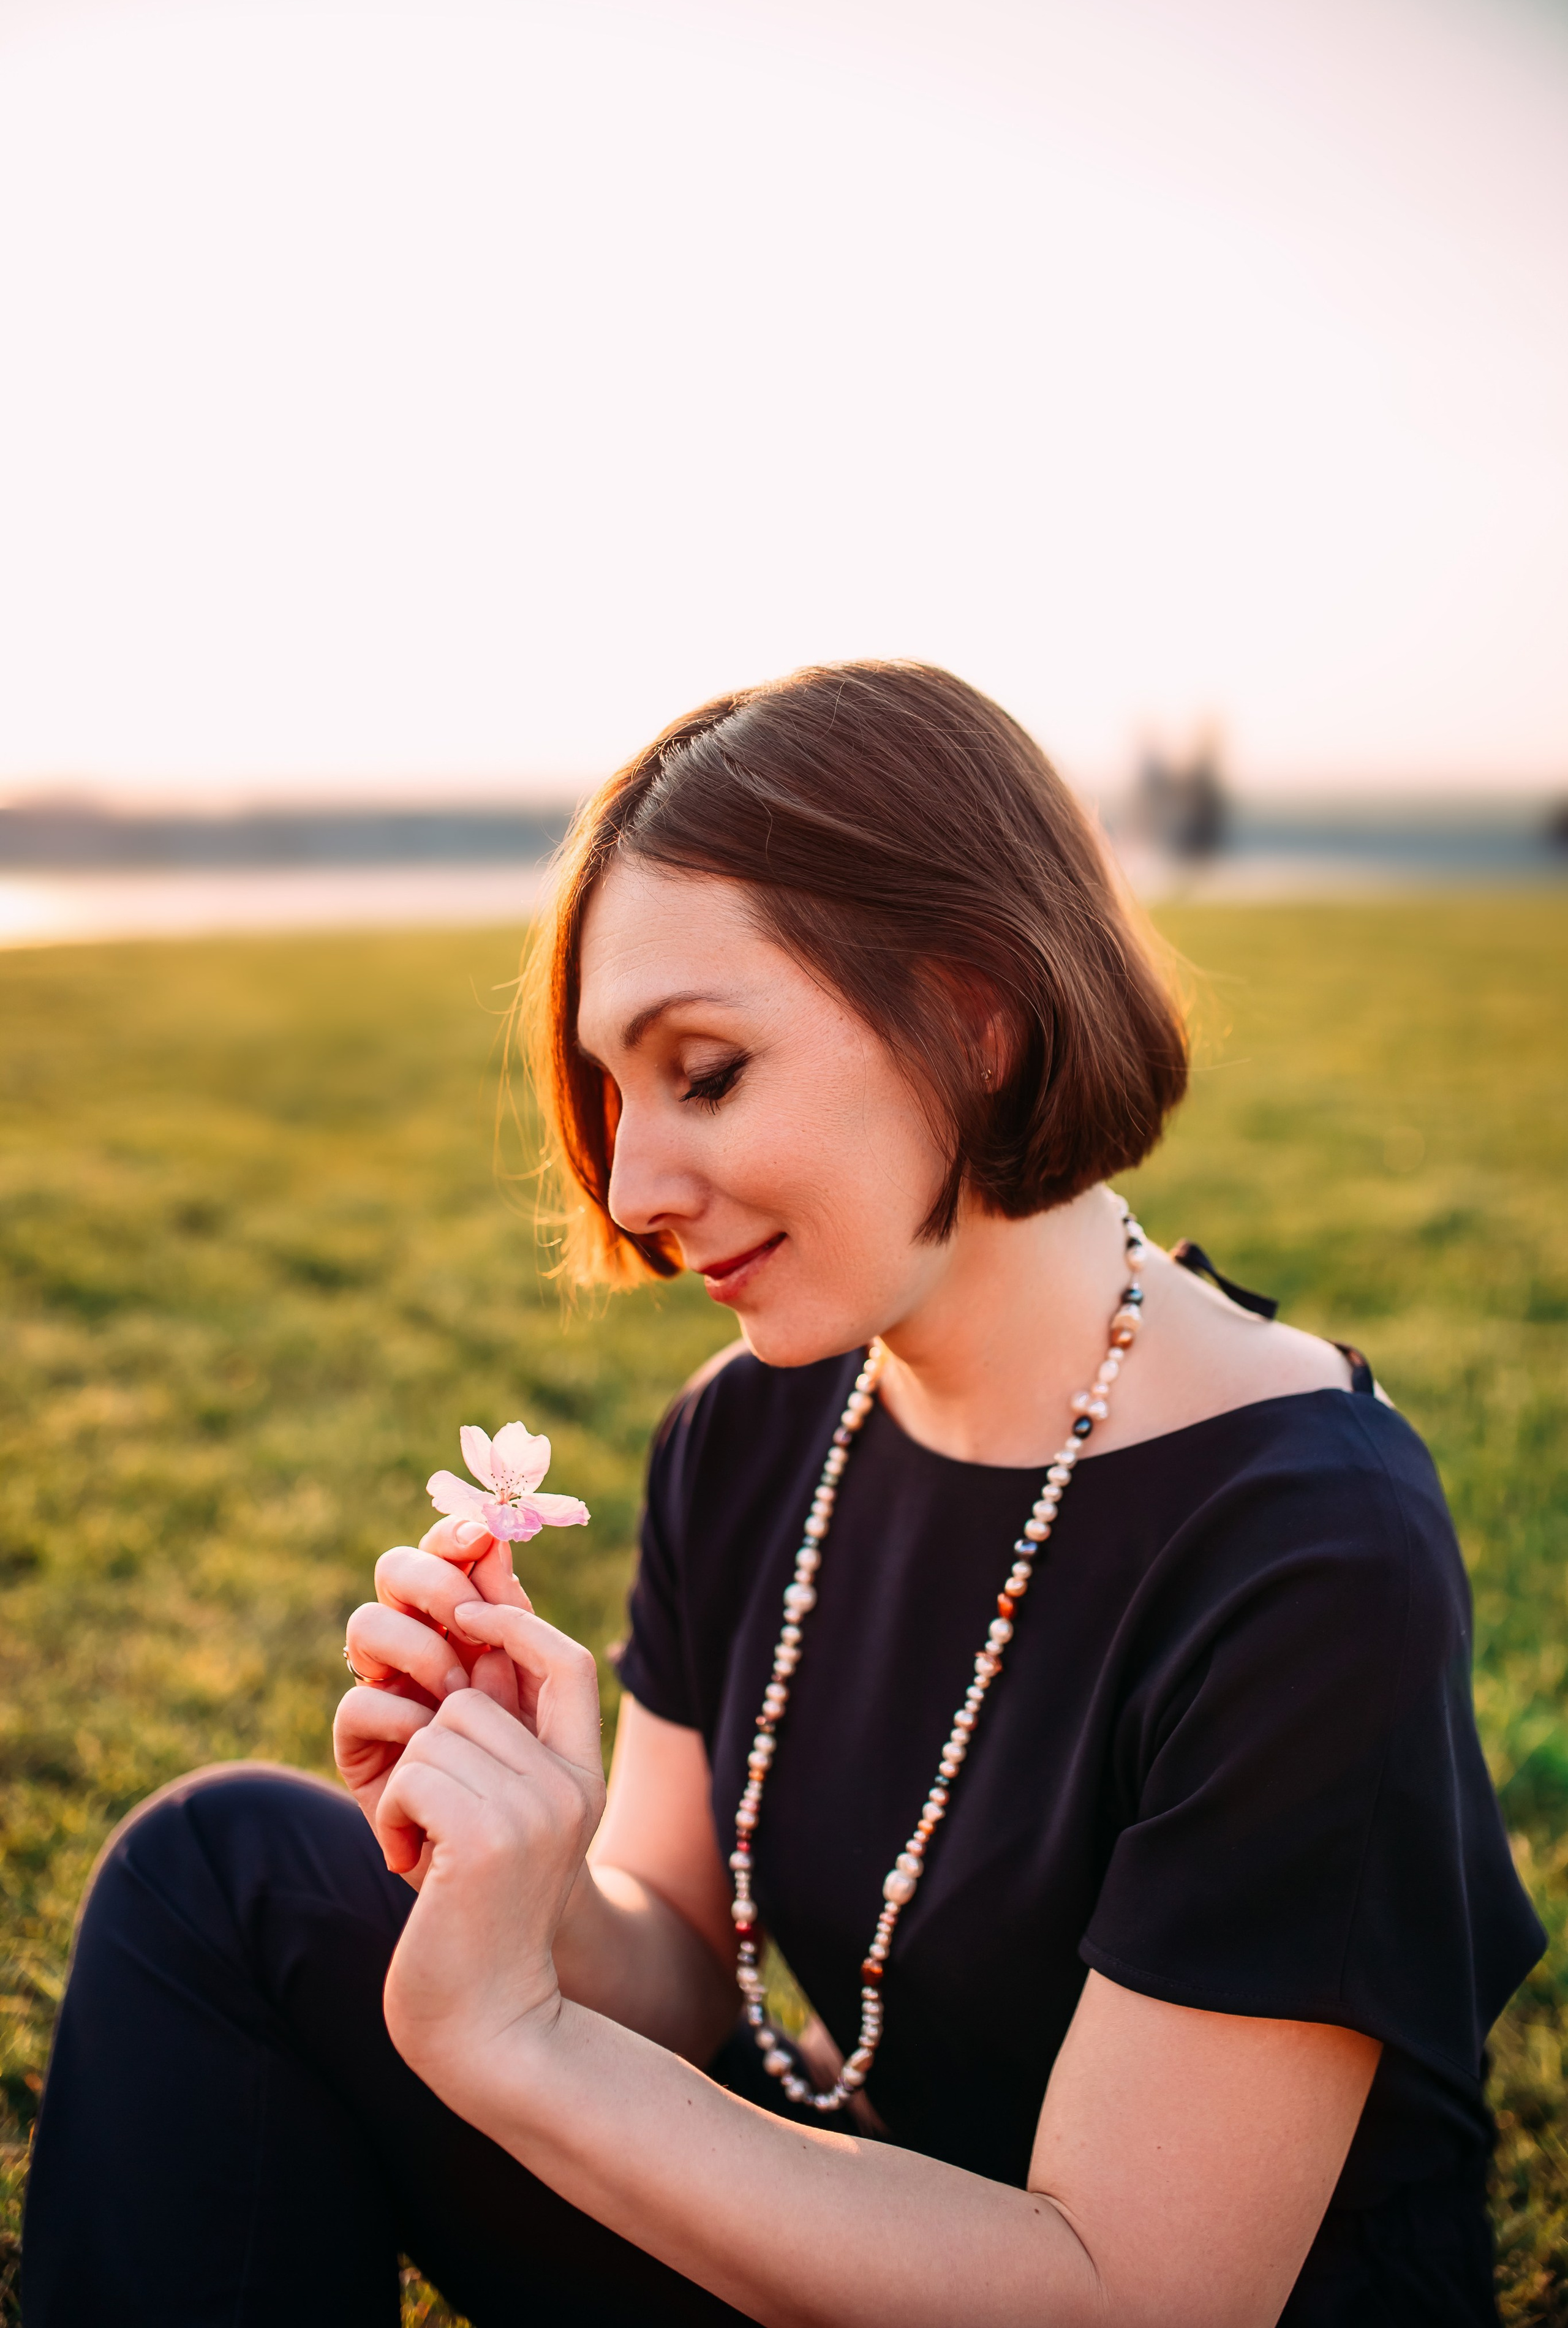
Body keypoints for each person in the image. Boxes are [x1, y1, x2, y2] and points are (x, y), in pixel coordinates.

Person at [25, 663, 1542, 2327]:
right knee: (222, 1873)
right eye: (615, 1086)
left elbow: (1135, 2297)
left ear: (978, 1016)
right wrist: (520, 1869)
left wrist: (513, 2043)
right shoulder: (751, 1434)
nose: (631, 1183)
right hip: (859, 2225)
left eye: (708, 1071)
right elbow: (676, 1962)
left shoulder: (1310, 1547)